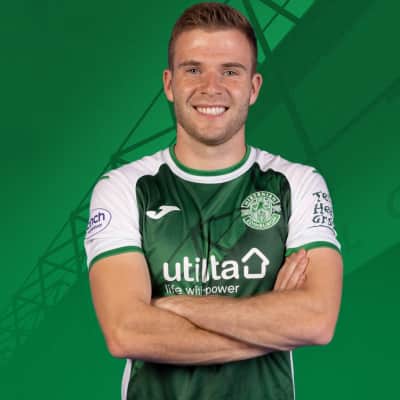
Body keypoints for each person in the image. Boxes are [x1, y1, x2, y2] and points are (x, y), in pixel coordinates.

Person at [84, 2, 343, 399]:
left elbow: (317, 320)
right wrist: (271, 324)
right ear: (169, 84)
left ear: (253, 87)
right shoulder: (124, 187)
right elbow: (126, 331)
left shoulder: (296, 183)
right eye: (193, 70)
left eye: (230, 71)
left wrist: (175, 306)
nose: (211, 87)